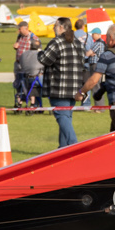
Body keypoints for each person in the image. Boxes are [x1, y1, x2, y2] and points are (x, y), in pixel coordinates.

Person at [39, 17, 87, 146]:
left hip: (59, 87)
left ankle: (74, 145)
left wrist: (39, 52)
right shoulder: (78, 43)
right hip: (75, 88)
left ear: (61, 27)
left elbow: (45, 59)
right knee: (66, 118)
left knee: (62, 117)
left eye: (55, 26)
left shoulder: (56, 42)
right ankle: (62, 149)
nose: (54, 28)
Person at [12, 22, 41, 109]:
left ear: (25, 28)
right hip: (18, 64)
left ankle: (33, 103)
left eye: (20, 29)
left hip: (27, 65)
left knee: (29, 84)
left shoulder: (34, 38)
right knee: (18, 83)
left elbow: (39, 51)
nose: (18, 30)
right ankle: (20, 102)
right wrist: (15, 47)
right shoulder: (19, 37)